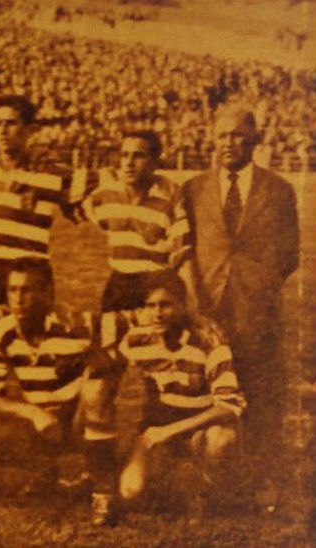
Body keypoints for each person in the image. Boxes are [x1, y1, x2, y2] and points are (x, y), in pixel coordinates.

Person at [179, 103, 299, 510]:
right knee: (208, 393)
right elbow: (187, 249)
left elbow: (289, 255)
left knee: (261, 393)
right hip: (208, 308)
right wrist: (200, 302)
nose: (228, 143)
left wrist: (256, 287)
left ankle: (262, 478)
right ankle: (209, 479)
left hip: (257, 310)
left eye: (237, 135)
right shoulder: (193, 189)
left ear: (255, 139)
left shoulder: (278, 189)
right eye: (222, 135)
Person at [86, 272, 245, 523]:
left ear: (182, 305)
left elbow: (228, 406)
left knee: (220, 440)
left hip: (202, 424)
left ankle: (204, 492)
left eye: (165, 305)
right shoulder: (138, 339)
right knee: (130, 491)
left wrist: (169, 431)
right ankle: (174, 478)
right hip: (160, 425)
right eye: (150, 306)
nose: (158, 313)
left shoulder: (208, 340)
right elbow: (101, 350)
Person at [0, 263, 117, 525]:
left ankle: (102, 488)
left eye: (27, 290)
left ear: (48, 293)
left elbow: (122, 343)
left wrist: (94, 380)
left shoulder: (76, 324)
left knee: (97, 390)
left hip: (76, 420)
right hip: (41, 421)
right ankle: (46, 472)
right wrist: (32, 412)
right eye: (12, 290)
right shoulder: (2, 331)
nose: (18, 298)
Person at [0, 95, 72, 308]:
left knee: (34, 329)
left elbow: (87, 187)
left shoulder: (50, 173)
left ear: (29, 129)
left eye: (11, 123)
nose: (3, 131)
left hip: (32, 270)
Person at [73, 130, 191, 312]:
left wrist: (191, 307)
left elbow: (183, 256)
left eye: (138, 156)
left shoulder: (172, 196)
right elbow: (76, 203)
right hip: (118, 284)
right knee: (107, 328)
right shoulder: (105, 195)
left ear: (154, 162)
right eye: (124, 155)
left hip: (156, 284)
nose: (128, 163)